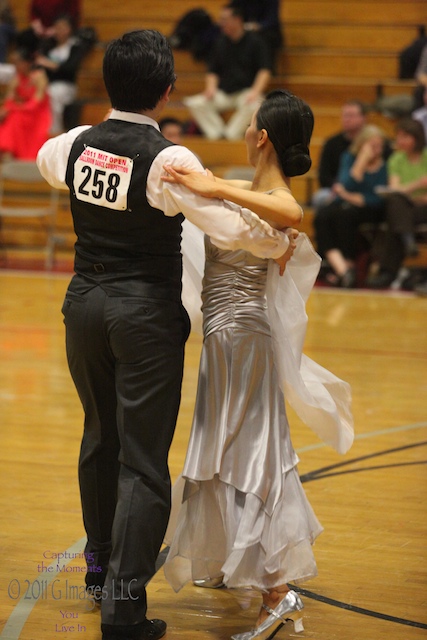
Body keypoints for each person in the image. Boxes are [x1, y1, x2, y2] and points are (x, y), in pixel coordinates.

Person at [36, 29, 292, 640]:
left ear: (108, 84)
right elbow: (227, 227)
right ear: (168, 89)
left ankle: (101, 576)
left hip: (83, 304)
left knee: (99, 442)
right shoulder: (170, 159)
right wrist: (278, 240)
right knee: (142, 461)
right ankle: (123, 610)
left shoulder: (70, 144)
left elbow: (56, 170)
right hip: (143, 314)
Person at [161, 90, 354, 640]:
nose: (245, 133)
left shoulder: (277, 198)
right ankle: (241, 562)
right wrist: (199, 182)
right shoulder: (253, 191)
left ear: (262, 136)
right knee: (226, 444)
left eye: (249, 126)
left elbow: (290, 211)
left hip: (243, 337)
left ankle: (278, 590)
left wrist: (210, 184)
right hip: (227, 339)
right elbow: (234, 202)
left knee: (254, 450)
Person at [183, 3, 272, 140]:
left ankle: (231, 135)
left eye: (225, 19)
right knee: (195, 102)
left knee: (257, 104)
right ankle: (217, 134)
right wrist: (210, 88)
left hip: (246, 92)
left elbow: (264, 70)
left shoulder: (256, 42)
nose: (221, 23)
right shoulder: (220, 42)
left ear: (237, 20)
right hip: (224, 93)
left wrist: (255, 91)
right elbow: (212, 71)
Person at [314, 125, 388, 288]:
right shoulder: (350, 157)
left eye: (379, 146)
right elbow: (344, 185)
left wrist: (350, 195)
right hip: (346, 204)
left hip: (372, 210)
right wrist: (361, 162)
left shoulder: (384, 165)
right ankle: (342, 269)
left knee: (345, 215)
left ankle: (347, 268)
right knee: (323, 215)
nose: (377, 150)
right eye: (372, 146)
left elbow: (377, 198)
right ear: (362, 145)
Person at [367, 118, 427, 289]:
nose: (399, 141)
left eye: (404, 136)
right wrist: (419, 184)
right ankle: (408, 241)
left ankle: (388, 272)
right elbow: (395, 189)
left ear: (416, 138)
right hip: (406, 207)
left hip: (422, 208)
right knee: (395, 203)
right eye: (398, 136)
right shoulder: (396, 159)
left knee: (396, 220)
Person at [34, 14, 87, 133]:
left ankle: (54, 131)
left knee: (53, 93)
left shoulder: (75, 46)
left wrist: (50, 64)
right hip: (47, 83)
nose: (59, 30)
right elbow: (38, 64)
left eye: (62, 27)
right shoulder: (49, 46)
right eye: (56, 27)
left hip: (66, 85)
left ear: (70, 29)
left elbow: (70, 68)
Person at [311, 100, 367, 210]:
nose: (347, 119)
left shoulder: (372, 143)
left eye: (351, 115)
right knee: (320, 197)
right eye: (345, 115)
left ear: (363, 118)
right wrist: (338, 188)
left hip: (364, 190)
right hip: (337, 190)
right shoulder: (331, 143)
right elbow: (323, 176)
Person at [0, 47, 51, 160]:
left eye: (18, 62)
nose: (16, 66)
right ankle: (7, 153)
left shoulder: (39, 76)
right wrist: (5, 110)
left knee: (14, 117)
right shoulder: (16, 78)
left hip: (37, 114)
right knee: (8, 117)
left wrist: (14, 108)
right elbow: (9, 100)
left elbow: (36, 102)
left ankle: (10, 153)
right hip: (21, 111)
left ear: (27, 63)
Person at [231, 0, 283, 70]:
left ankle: (267, 69)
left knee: (264, 38)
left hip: (267, 31)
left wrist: (259, 26)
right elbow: (232, 11)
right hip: (245, 30)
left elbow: (272, 20)